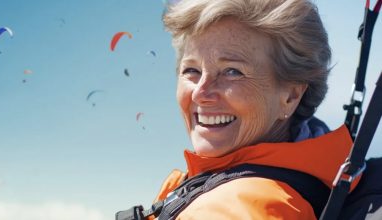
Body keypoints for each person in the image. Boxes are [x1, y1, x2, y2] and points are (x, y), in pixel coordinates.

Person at [118, 0, 362, 219]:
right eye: (191, 70)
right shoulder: (311, 177)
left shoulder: (233, 208)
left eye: (232, 72)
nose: (200, 94)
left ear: (290, 95)